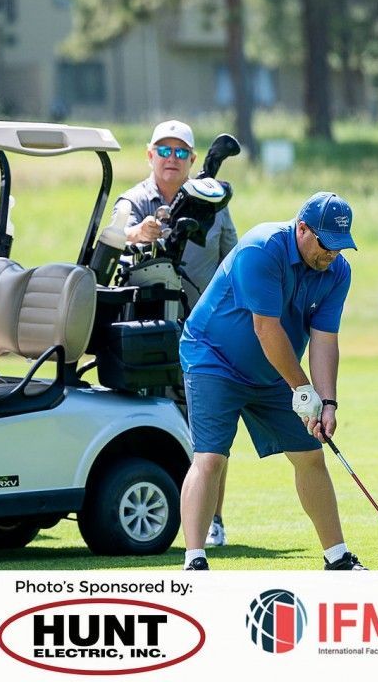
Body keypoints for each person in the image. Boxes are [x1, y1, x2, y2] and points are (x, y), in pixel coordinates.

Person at [177, 191, 366, 572]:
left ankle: (337, 558)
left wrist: (327, 403)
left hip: (274, 370)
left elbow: (325, 339)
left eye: (339, 247)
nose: (331, 254)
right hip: (214, 359)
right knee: (210, 457)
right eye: (325, 244)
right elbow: (266, 329)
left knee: (311, 456)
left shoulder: (337, 272)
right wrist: (303, 390)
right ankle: (194, 561)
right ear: (302, 229)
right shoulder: (261, 249)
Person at [117, 119, 238, 547]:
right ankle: (163, 510)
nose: (171, 159)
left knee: (209, 431)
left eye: (180, 152)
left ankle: (214, 520)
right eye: (163, 151)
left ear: (191, 159)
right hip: (150, 329)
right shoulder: (134, 200)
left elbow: (233, 264)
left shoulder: (214, 202)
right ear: (150, 155)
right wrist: (141, 232)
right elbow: (116, 235)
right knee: (150, 422)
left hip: (207, 334)